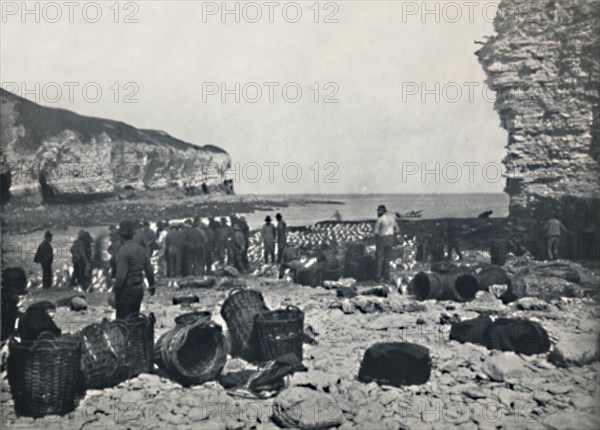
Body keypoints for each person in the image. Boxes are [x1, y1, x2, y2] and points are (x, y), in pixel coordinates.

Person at [113, 220, 155, 319]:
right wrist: (152, 284)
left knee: (123, 320)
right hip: (139, 289)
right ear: (133, 235)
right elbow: (149, 269)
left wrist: (115, 291)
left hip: (126, 290)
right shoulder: (141, 249)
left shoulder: (122, 251)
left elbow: (121, 276)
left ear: (121, 236)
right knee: (134, 317)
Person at [372, 205, 399, 282]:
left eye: (378, 211)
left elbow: (375, 232)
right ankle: (387, 276)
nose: (377, 212)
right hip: (390, 238)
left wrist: (379, 233)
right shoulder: (392, 218)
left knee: (379, 258)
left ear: (381, 211)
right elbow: (397, 229)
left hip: (382, 238)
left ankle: (378, 276)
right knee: (387, 258)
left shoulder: (380, 220)